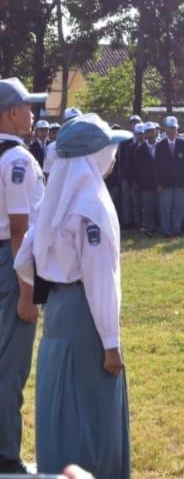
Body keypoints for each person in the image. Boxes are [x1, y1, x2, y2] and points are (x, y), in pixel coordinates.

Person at [14, 113, 131, 477]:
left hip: (61, 311)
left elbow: (23, 260)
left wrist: (40, 287)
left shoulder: (55, 201)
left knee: (60, 408)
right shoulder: (91, 206)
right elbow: (99, 282)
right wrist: (111, 344)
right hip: (86, 315)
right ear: (94, 156)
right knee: (92, 415)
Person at [0, 78, 46, 474]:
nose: (33, 112)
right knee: (11, 363)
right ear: (11, 113)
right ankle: (7, 455)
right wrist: (27, 292)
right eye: (27, 106)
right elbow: (20, 229)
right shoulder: (17, 159)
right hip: (11, 260)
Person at [154, 116, 184, 237]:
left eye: (174, 128)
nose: (173, 130)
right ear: (165, 129)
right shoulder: (160, 145)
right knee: (166, 209)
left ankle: (176, 229)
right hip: (165, 184)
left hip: (180, 183)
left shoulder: (183, 144)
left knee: (178, 208)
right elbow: (156, 167)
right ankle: (167, 231)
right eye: (170, 128)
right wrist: (158, 184)